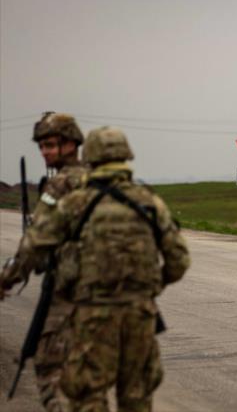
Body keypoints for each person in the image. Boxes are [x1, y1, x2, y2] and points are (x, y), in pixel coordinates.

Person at [3, 126, 190, 412]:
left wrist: (6, 279)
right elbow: (178, 261)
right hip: (141, 315)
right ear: (126, 156)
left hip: (94, 315)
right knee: (137, 397)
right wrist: (151, 288)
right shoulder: (149, 201)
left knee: (88, 396)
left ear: (89, 155)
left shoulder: (76, 203)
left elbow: (33, 247)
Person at [0, 112, 88, 412]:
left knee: (50, 371)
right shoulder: (101, 180)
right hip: (113, 299)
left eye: (51, 144)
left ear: (71, 143)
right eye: (42, 146)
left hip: (71, 295)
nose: (45, 152)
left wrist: (5, 279)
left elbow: (35, 243)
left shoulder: (61, 185)